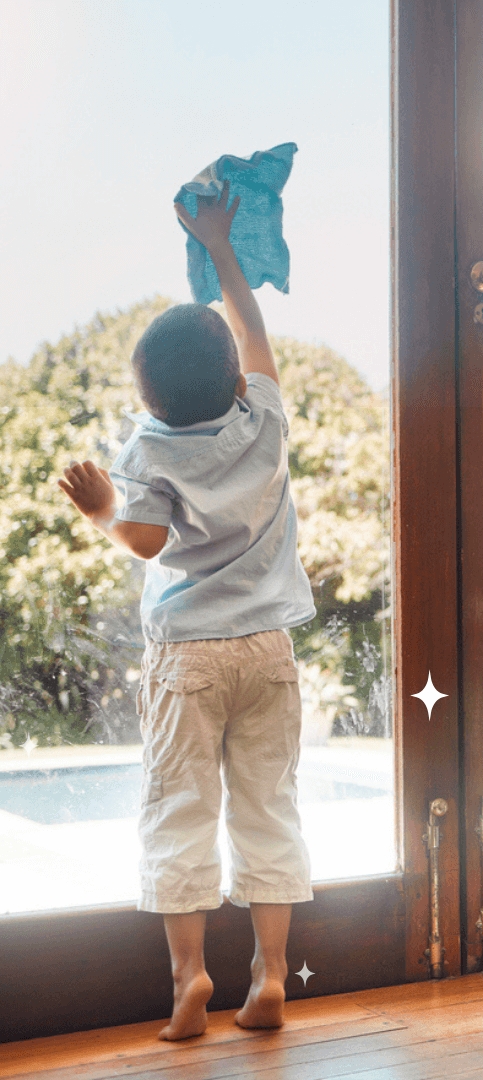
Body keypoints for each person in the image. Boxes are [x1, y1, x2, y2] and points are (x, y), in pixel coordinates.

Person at [58, 182, 315, 1040]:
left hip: (190, 661)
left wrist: (100, 509)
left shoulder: (148, 446)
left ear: (150, 398)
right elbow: (253, 326)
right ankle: (273, 974)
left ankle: (189, 980)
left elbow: (141, 541)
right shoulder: (265, 419)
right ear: (235, 378)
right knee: (268, 809)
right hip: (269, 652)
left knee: (180, 811)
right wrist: (222, 244)